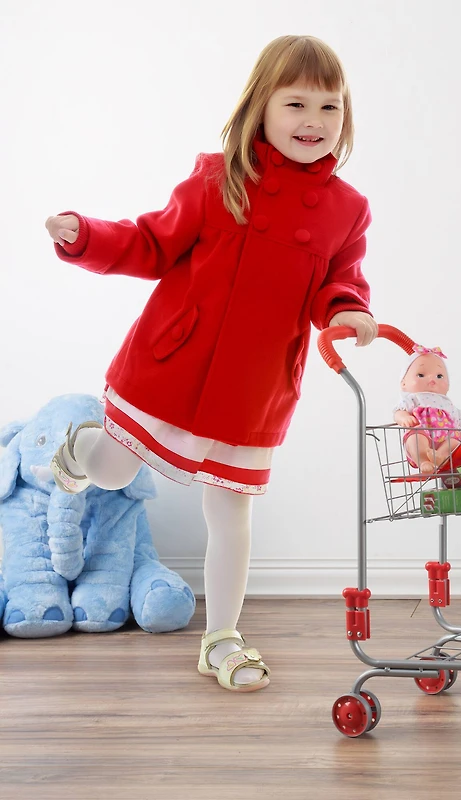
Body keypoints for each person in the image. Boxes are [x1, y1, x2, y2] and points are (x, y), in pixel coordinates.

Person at [44, 35, 378, 692]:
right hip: (171, 367)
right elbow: (148, 243)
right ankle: (82, 448)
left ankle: (222, 638)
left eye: (330, 107)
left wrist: (348, 311)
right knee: (112, 472)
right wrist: (85, 236)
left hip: (253, 392)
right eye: (296, 104)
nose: (314, 121)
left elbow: (342, 282)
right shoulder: (217, 179)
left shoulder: (348, 210)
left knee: (230, 511)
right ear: (261, 106)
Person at [393, 346, 461, 473]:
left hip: (446, 438)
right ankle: (423, 461)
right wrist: (404, 418)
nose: (432, 380)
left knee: (455, 441)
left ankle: (441, 456)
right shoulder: (414, 398)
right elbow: (398, 411)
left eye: (439, 376)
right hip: (422, 432)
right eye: (421, 375)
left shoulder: (448, 404)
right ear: (403, 383)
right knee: (415, 437)